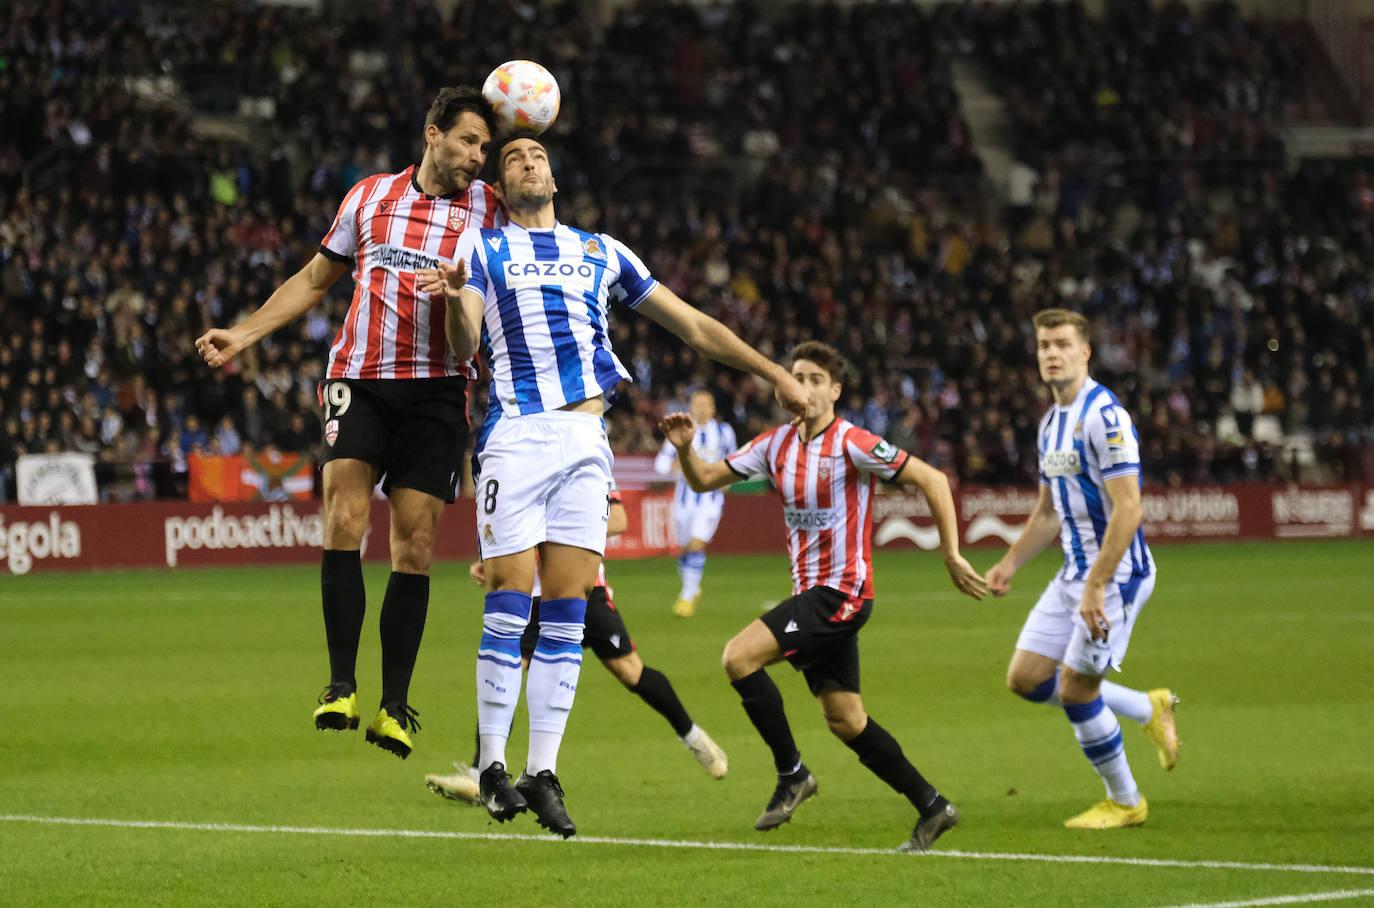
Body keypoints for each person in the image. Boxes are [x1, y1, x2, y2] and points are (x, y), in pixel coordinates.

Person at [418, 130, 807, 837]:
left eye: (537, 155)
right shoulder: (481, 249)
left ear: (555, 179)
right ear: (499, 189)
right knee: (510, 595)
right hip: (517, 434)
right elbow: (465, 345)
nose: (528, 161)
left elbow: (692, 324)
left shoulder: (601, 251)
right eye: (513, 158)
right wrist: (451, 301)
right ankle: (494, 767)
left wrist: (774, 373)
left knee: (568, 605)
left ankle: (541, 772)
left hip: (586, 439)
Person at [195, 87, 504, 759]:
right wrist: (245, 335)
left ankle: (394, 706)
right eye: (468, 142)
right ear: (432, 134)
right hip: (358, 381)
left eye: (486, 147)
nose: (479, 157)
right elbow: (313, 279)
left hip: (438, 391)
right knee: (343, 518)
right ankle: (340, 685)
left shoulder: (491, 212)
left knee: (414, 546)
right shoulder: (368, 198)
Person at [658, 340, 988, 853]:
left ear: (835, 391)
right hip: (811, 594)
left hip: (842, 592)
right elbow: (703, 481)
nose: (803, 386)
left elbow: (933, 479)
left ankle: (792, 774)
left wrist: (950, 554)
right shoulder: (774, 446)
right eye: (796, 376)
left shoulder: (854, 442)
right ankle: (933, 806)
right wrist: (684, 447)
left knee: (738, 657)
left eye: (815, 379)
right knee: (846, 720)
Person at [984, 308, 1180, 830]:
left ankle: (1126, 801)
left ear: (1085, 352)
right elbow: (1048, 512)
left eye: (1062, 344)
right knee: (1026, 678)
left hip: (1115, 578)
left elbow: (1129, 508)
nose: (1051, 353)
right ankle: (1147, 707)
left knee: (1075, 690)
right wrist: (1009, 562)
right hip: (1075, 575)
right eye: (1044, 345)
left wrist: (1097, 585)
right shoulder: (1051, 424)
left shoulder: (1105, 416)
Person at [424, 491, 728, 807]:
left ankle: (694, 739)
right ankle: (480, 774)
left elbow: (619, 519)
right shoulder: (529, 465)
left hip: (584, 591)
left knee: (631, 672)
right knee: (508, 671)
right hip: (535, 597)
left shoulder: (585, 457)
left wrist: (559, 528)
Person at [653, 389, 737, 617]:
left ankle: (687, 596)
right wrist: (673, 468)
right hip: (683, 501)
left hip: (710, 500)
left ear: (712, 409)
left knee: (697, 545)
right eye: (696, 404)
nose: (700, 409)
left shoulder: (724, 432)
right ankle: (691, 588)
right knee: (685, 548)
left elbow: (734, 460)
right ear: (690, 407)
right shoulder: (680, 432)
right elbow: (660, 464)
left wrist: (727, 480)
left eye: (705, 404)